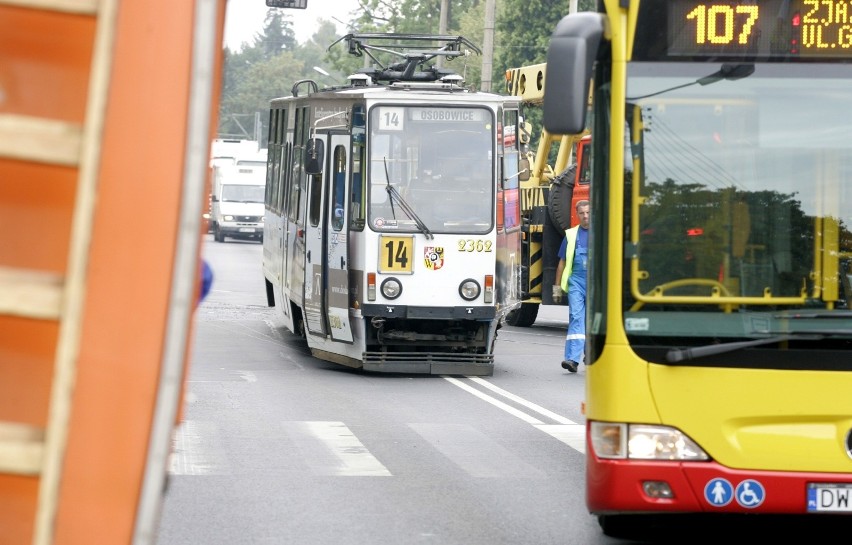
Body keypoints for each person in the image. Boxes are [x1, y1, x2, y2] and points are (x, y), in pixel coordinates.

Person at [554, 200, 590, 373]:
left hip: (596, 284)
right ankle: (572, 360)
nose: (585, 216)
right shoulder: (571, 235)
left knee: (593, 321)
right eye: (582, 213)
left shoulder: (603, 234)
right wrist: (556, 288)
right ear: (577, 215)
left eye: (588, 213)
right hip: (576, 281)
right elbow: (562, 263)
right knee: (576, 317)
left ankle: (590, 353)